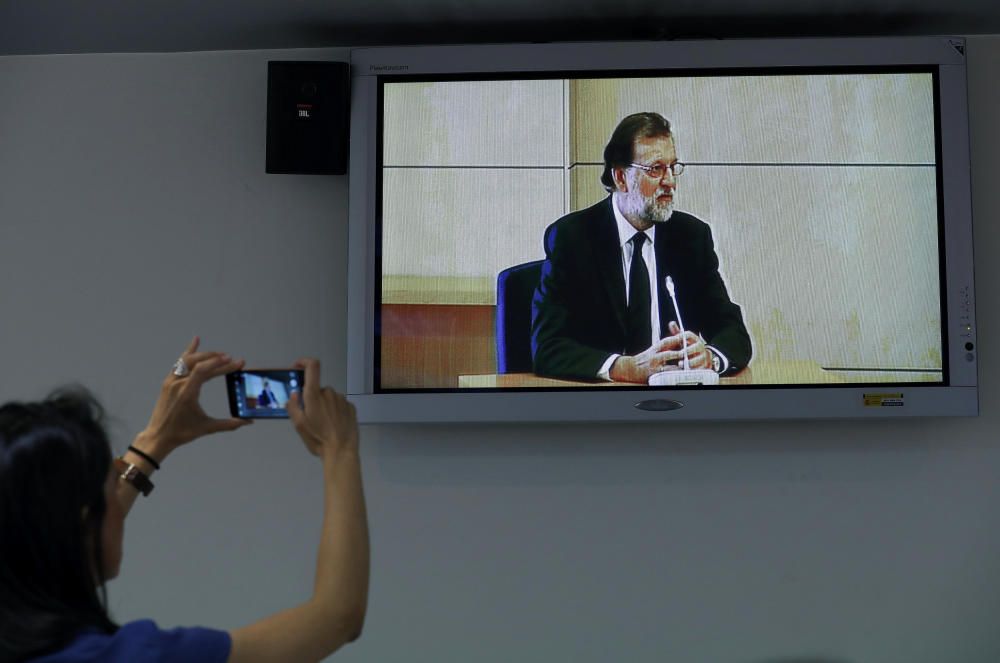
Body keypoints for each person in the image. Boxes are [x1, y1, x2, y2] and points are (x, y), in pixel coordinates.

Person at [0, 337, 369, 663]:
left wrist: (156, 440)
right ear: (82, 524)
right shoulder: (133, 657)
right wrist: (339, 449)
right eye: (112, 483)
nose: (119, 497)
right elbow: (337, 616)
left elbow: (63, 554)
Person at [531, 112, 752, 383]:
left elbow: (732, 331)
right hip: (599, 406)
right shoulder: (572, 238)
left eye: (673, 167)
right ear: (621, 178)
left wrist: (711, 356)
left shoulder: (691, 237)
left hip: (673, 402)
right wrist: (622, 367)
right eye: (655, 169)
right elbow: (546, 347)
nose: (670, 181)